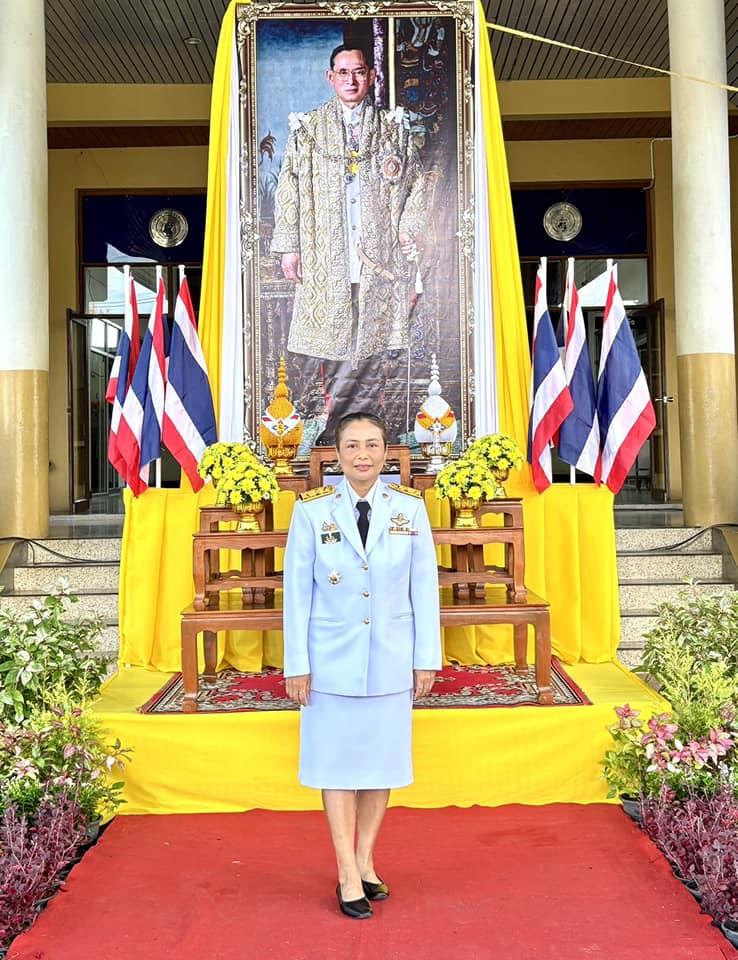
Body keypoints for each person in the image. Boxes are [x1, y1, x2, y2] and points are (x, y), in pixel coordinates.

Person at [282, 412, 441, 919]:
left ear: (388, 452)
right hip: (329, 661)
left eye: (372, 445)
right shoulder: (311, 512)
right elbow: (296, 596)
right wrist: (296, 665)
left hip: (392, 658)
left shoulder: (410, 510)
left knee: (380, 763)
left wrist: (426, 659)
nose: (363, 455)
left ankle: (366, 858)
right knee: (336, 764)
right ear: (337, 455)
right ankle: (346, 871)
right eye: (352, 446)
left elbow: (424, 588)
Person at [270, 44, 426, 443]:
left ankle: (370, 428)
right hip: (327, 254)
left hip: (378, 257)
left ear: (371, 76)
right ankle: (339, 428)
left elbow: (417, 184)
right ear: (330, 77)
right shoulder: (308, 129)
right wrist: (290, 246)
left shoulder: (393, 128)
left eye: (358, 72)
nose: (351, 80)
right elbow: (288, 188)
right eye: (343, 72)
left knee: (373, 343)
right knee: (335, 339)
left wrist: (409, 228)